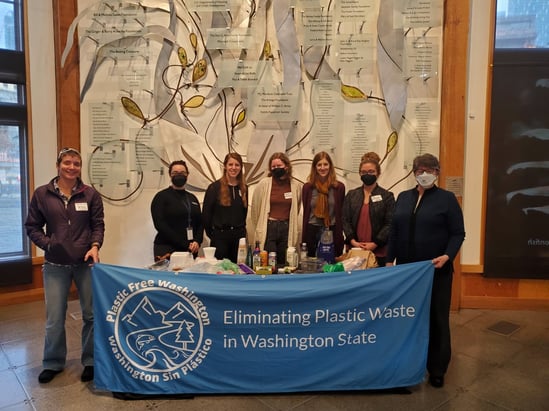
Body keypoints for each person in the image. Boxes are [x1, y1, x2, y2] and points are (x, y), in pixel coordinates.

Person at [25, 147, 105, 384]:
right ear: (58, 165)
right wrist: (49, 245)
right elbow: (32, 226)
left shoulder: (90, 194)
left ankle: (90, 361)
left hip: (85, 263)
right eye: (67, 162)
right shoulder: (42, 194)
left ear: (80, 167)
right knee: (54, 318)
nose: (72, 167)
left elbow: (98, 225)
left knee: (91, 315)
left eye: (76, 164)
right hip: (55, 265)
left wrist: (95, 246)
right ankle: (53, 362)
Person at [386, 153, 465, 388]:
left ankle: (438, 368)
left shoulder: (447, 199)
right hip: (407, 273)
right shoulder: (403, 197)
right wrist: (390, 260)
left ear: (437, 172)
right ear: (414, 173)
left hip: (435, 271)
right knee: (408, 318)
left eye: (430, 170)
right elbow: (394, 231)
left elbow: (458, 233)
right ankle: (408, 363)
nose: (424, 174)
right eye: (420, 170)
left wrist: (448, 255)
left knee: (437, 319)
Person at [342, 152, 395, 266]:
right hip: (355, 250)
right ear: (360, 174)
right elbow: (345, 220)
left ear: (378, 173)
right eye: (364, 172)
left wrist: (375, 243)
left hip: (379, 251)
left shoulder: (387, 196)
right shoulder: (352, 195)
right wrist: (353, 241)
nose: (367, 174)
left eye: (371, 172)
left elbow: (390, 223)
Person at [250, 152, 302, 266]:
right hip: (269, 227)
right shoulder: (264, 184)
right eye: (273, 167)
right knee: (268, 261)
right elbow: (255, 209)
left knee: (285, 261)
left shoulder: (296, 186)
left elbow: (296, 208)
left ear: (286, 166)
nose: (276, 169)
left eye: (279, 166)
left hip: (287, 228)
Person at [151, 160, 203, 261]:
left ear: (187, 175)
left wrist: (197, 241)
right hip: (167, 248)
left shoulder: (192, 198)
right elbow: (160, 225)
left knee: (188, 276)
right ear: (170, 175)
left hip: (190, 249)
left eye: (182, 173)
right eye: (175, 173)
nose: (179, 175)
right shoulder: (161, 197)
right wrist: (184, 243)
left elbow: (200, 223)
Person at [202, 152, 248, 262]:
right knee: (221, 271)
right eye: (230, 164)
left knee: (238, 270)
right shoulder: (214, 187)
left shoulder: (244, 188)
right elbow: (206, 215)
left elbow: (243, 212)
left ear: (241, 167)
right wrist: (214, 235)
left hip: (239, 238)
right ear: (225, 166)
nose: (234, 168)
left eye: (237, 165)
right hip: (220, 238)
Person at [301, 151, 345, 259]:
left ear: (330, 166)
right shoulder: (308, 187)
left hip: (331, 230)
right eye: (319, 165)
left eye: (325, 164)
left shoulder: (339, 187)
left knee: (332, 263)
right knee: (312, 263)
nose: (322, 168)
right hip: (312, 230)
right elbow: (306, 211)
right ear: (315, 167)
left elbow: (341, 212)